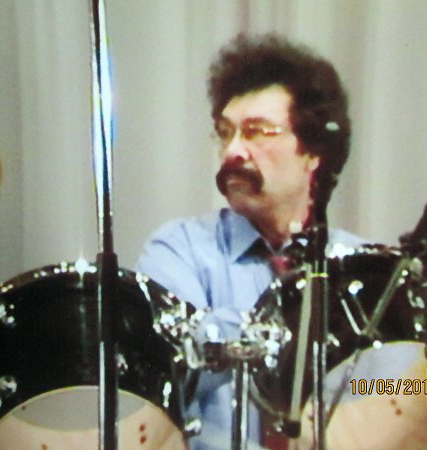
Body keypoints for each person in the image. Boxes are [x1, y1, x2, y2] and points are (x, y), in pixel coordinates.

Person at [135, 33, 364, 449]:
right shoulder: (179, 251)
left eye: (257, 132)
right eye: (225, 133)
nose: (232, 152)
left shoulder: (362, 270)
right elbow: (162, 374)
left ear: (314, 152)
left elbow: (399, 394)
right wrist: (281, 325)